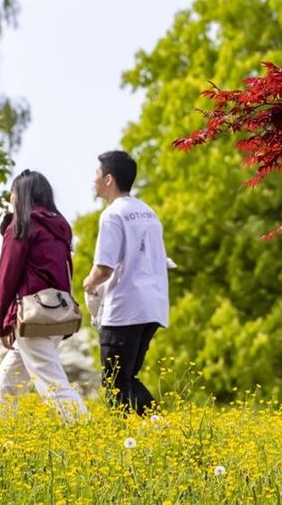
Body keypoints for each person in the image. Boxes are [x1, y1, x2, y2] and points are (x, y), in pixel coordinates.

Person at [0, 170, 87, 422]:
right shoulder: (59, 229)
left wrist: (1, 324)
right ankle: (6, 437)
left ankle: (84, 430)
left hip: (33, 317)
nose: (10, 197)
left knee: (52, 384)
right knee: (5, 382)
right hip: (56, 315)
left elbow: (6, 278)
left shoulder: (21, 226)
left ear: (20, 195)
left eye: (12, 192)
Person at [83, 151, 169, 416]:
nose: (93, 180)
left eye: (96, 174)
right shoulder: (148, 212)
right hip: (152, 307)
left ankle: (149, 430)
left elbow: (104, 267)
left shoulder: (112, 215)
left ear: (109, 179)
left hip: (124, 308)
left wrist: (88, 281)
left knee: (115, 383)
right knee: (128, 377)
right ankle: (155, 431)